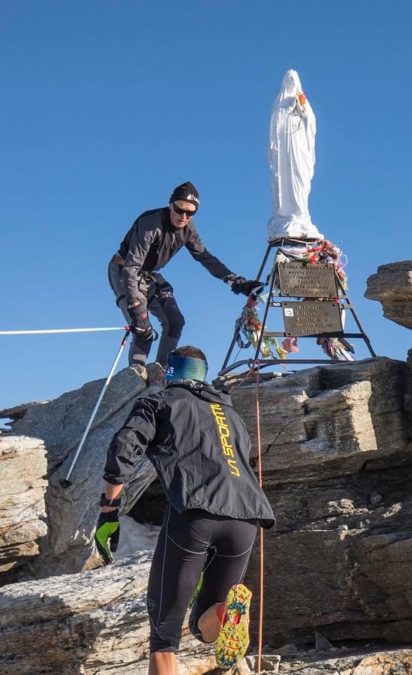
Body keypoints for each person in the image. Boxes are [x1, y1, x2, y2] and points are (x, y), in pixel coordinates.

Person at [95, 345, 275, 674]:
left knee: (164, 639)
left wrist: (109, 509)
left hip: (196, 514)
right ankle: (226, 613)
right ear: (203, 375)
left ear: (171, 372)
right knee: (203, 625)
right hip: (247, 519)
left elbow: (125, 445)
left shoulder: (159, 401)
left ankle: (218, 615)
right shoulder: (229, 413)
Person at [109, 181, 263, 367]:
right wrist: (137, 309)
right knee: (144, 330)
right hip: (124, 270)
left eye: (190, 213)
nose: (183, 217)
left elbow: (205, 257)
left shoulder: (188, 229)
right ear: (170, 205)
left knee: (175, 322)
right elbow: (131, 268)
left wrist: (236, 281)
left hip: (149, 274)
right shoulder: (151, 223)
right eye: (179, 210)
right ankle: (136, 376)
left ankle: (160, 373)